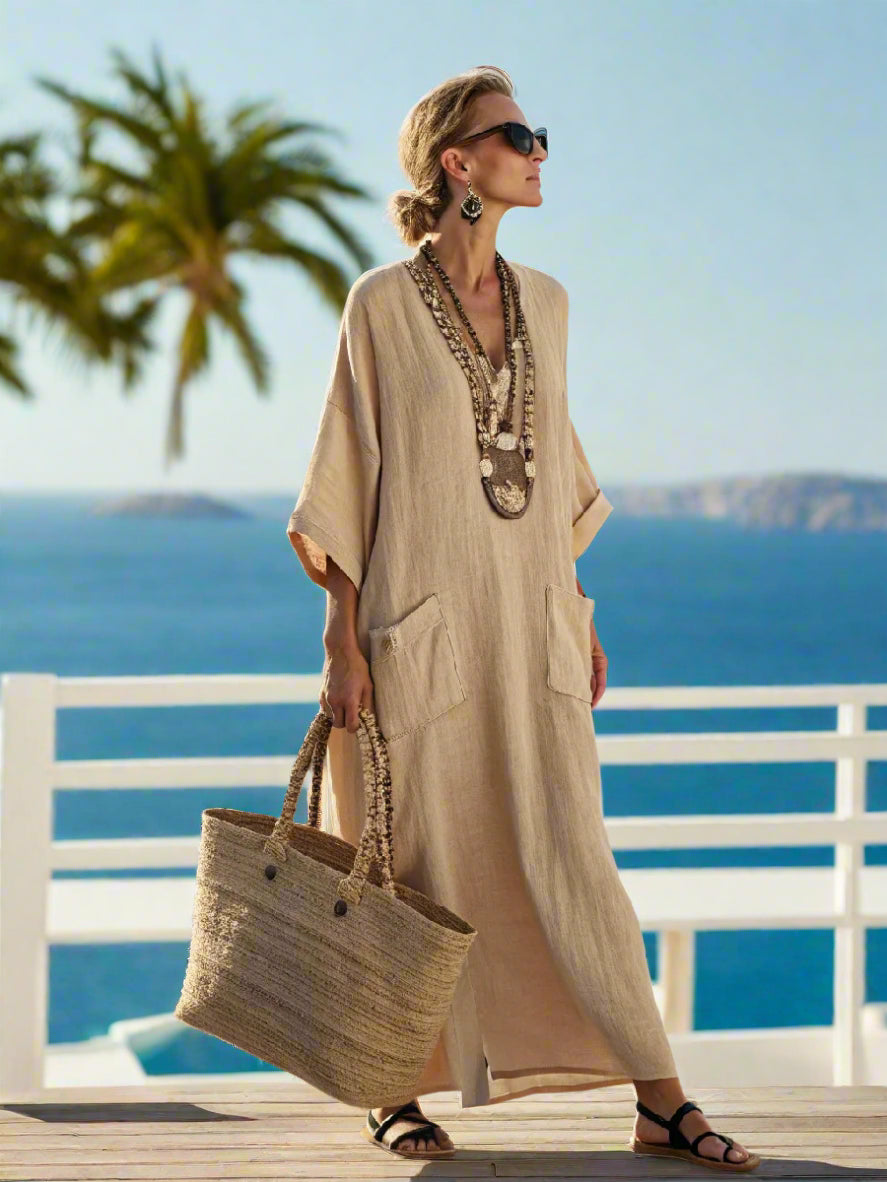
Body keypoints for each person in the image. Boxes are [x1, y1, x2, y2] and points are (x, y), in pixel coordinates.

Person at [285, 65, 759, 1172]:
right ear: (460, 161)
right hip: (421, 625)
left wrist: (576, 612)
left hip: (533, 625)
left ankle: (658, 1098)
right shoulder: (380, 307)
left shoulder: (546, 300)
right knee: (407, 865)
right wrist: (339, 640)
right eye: (519, 135)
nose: (539, 151)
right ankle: (387, 1090)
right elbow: (347, 476)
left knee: (571, 853)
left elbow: (552, 478)